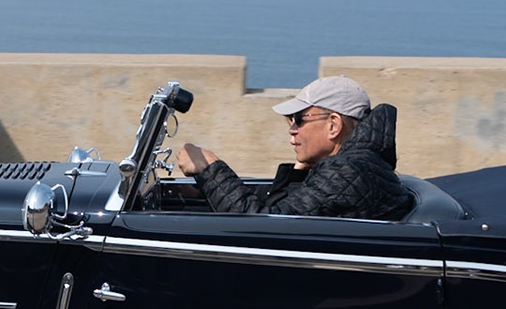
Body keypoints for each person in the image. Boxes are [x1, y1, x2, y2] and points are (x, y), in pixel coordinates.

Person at [174, 76, 415, 220]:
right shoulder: (353, 165)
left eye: (299, 119)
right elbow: (281, 209)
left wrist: (209, 169)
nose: (292, 129)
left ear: (333, 125)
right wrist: (299, 172)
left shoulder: (348, 171)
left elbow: (265, 228)